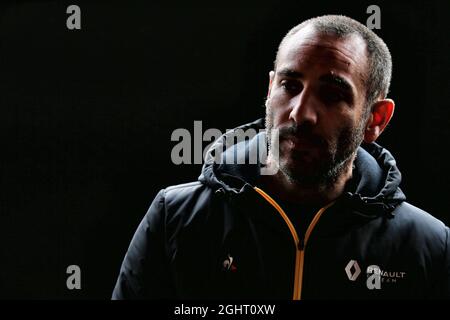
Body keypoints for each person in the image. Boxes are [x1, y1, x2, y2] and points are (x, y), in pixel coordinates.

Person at [112, 15, 450, 299]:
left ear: (375, 120)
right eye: (290, 86)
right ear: (270, 89)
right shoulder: (176, 220)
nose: (301, 114)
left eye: (332, 95)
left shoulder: (428, 247)